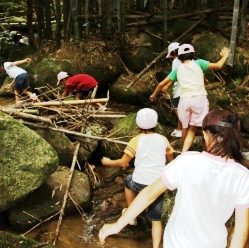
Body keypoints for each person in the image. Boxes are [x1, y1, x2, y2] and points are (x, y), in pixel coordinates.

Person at [99, 109, 249, 248]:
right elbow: (241, 231)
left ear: (205, 134)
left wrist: (118, 224)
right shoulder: (243, 175)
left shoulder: (187, 161)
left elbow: (149, 193)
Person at [101, 108, 174, 248]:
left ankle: (132, 214)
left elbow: (123, 162)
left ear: (138, 125)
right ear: (155, 123)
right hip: (158, 185)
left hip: (139, 183)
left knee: (129, 180)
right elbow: (170, 158)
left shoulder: (135, 140)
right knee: (156, 220)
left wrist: (108, 162)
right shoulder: (163, 139)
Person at [150, 44, 230, 152]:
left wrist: (153, 95)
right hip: (199, 98)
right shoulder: (199, 63)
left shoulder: (177, 69)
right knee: (198, 128)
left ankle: (184, 153)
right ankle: (207, 151)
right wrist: (225, 56)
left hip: (184, 100)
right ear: (193, 54)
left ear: (179, 57)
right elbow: (218, 66)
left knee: (185, 127)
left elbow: (160, 84)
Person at [165, 42, 182, 138]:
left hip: (179, 89)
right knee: (181, 109)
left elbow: (175, 76)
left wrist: (167, 86)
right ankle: (179, 128)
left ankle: (182, 129)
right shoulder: (188, 60)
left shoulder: (176, 61)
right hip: (186, 89)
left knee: (177, 109)